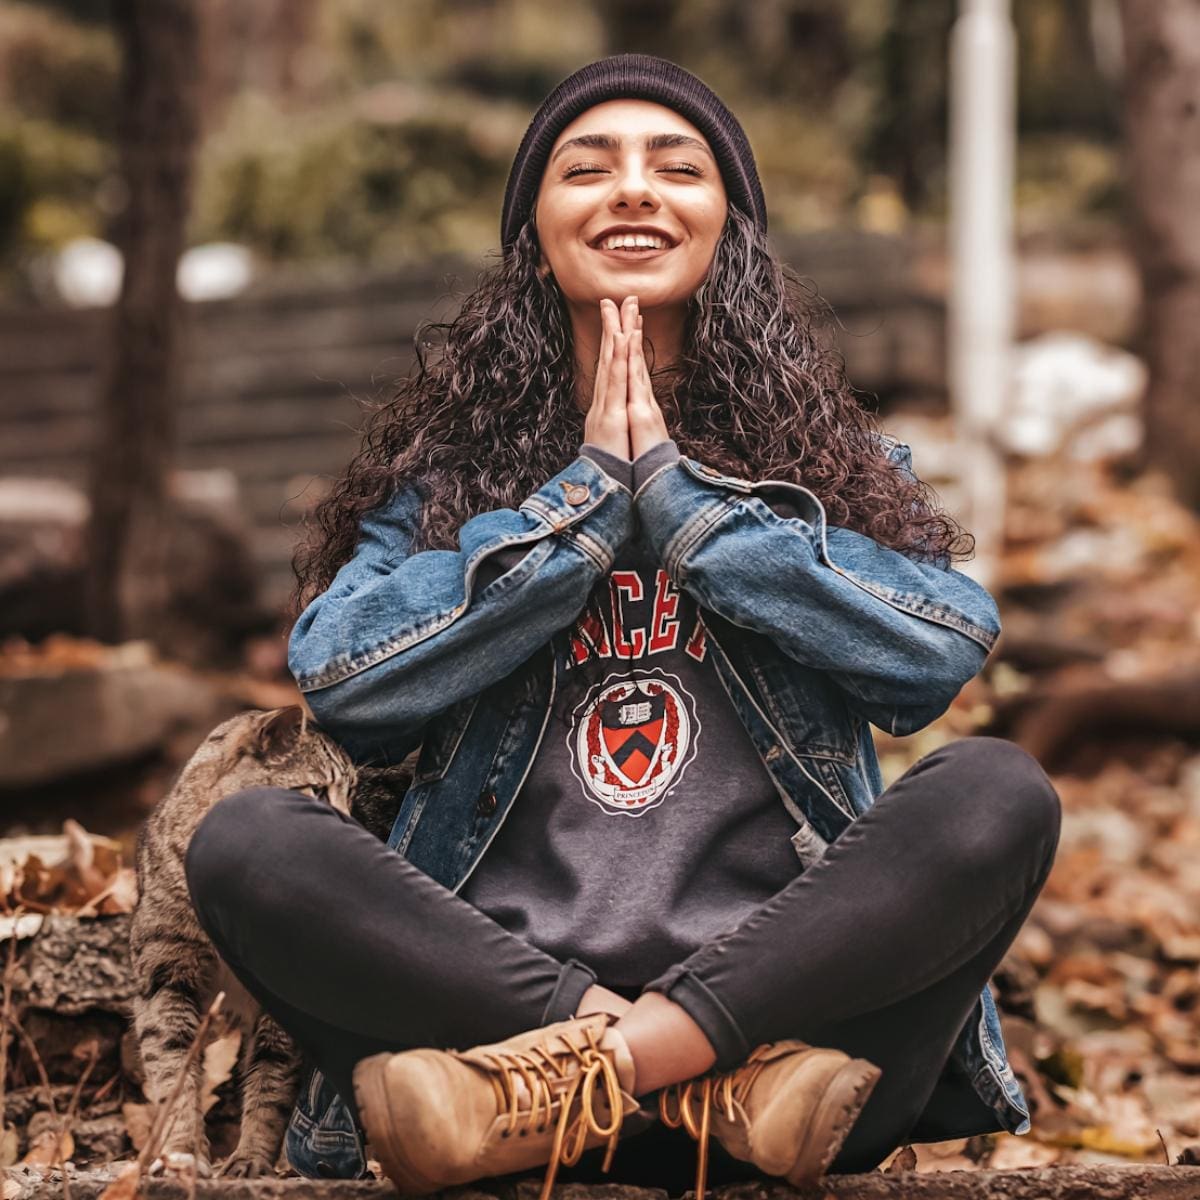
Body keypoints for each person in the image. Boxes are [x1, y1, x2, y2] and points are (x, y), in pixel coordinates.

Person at [184, 53, 1061, 1199]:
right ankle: (653, 1076)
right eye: (587, 167)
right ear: (537, 232)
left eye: (677, 167)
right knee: (248, 843)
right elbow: (344, 681)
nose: (634, 190)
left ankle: (624, 1068)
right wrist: (584, 509)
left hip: (799, 1057)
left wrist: (688, 510)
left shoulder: (831, 475)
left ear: (727, 226)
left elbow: (938, 651)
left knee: (1001, 794)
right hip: (481, 1038)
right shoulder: (446, 489)